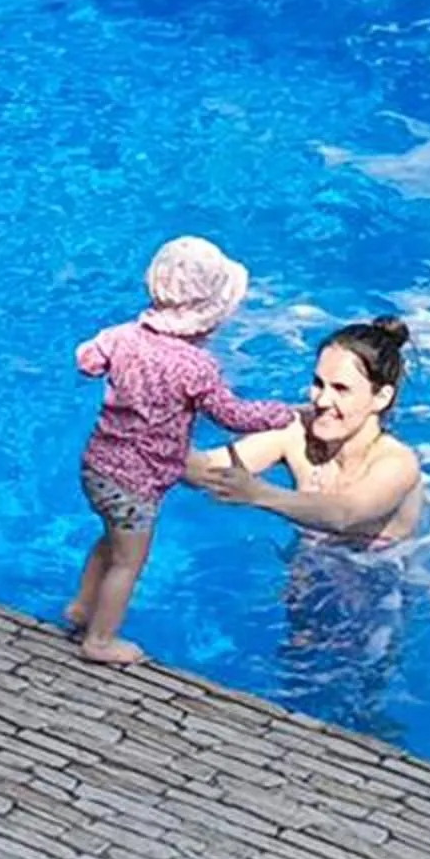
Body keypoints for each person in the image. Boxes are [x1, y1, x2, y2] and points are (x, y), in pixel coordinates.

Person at [67, 236, 296, 666]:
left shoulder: (122, 337)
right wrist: (283, 414)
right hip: (135, 486)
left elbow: (87, 361)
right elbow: (232, 415)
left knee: (110, 539)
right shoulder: (196, 367)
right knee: (129, 563)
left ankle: (81, 607)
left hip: (96, 467)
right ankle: (100, 640)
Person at [187, 317, 425, 549]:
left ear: (381, 397)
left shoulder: (397, 463)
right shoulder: (298, 429)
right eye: (319, 384)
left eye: (341, 389)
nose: (322, 400)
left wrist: (259, 494)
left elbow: (346, 514)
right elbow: (209, 472)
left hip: (383, 569)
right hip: (308, 560)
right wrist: (166, 434)